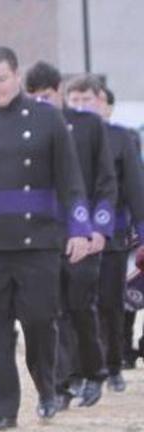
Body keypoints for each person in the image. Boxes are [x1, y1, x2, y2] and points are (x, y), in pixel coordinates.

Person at [0, 46, 91, 430]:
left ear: (16, 77)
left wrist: (80, 228)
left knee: (39, 322)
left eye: (2, 79)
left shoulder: (48, 119)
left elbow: (71, 179)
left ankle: (48, 389)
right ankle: (1, 410)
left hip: (39, 242)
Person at [24, 64, 116, 409]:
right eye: (34, 97)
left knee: (80, 308)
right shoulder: (27, 127)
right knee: (51, 312)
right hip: (45, 237)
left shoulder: (89, 126)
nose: (40, 103)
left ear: (58, 90)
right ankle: (60, 384)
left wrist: (99, 229)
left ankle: (94, 372)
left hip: (84, 231)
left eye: (46, 96)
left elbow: (106, 181)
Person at [82, 84, 144, 384]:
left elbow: (134, 188)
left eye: (89, 99)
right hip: (77, 235)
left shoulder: (122, 139)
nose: (83, 105)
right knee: (78, 304)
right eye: (76, 98)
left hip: (115, 233)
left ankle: (114, 363)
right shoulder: (66, 136)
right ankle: (83, 368)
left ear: (106, 106)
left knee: (110, 302)